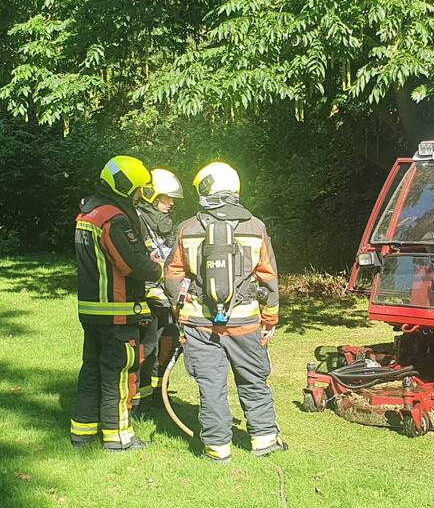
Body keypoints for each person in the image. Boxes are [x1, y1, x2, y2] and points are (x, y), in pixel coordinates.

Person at [164, 162, 284, 463]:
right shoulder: (255, 227)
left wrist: (181, 308)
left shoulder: (187, 228)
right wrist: (269, 320)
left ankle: (217, 448)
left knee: (211, 386)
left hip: (200, 324)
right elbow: (269, 279)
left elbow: (172, 276)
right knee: (253, 380)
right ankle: (265, 440)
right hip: (245, 323)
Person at [70, 156, 163, 452]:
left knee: (92, 370)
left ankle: (82, 432)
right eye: (137, 190)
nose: (138, 196)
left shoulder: (89, 212)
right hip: (117, 312)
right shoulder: (113, 218)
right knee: (120, 374)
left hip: (92, 310)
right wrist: (157, 268)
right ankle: (118, 437)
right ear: (125, 186)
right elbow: (132, 264)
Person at [132, 168, 184, 415]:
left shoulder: (165, 224)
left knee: (169, 343)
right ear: (150, 194)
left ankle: (158, 394)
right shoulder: (135, 220)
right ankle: (139, 400)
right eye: (167, 198)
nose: (171, 204)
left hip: (166, 296)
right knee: (147, 348)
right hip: (142, 297)